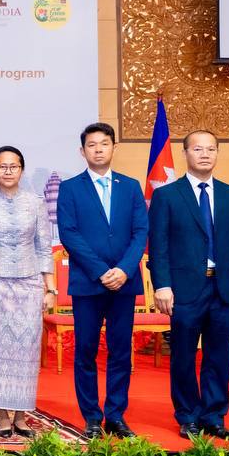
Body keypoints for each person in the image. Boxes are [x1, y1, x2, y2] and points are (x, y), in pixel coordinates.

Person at [149, 130, 229, 441]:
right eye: (198, 149)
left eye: (211, 149)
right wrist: (162, 285)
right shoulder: (167, 195)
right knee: (183, 356)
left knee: (219, 357)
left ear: (217, 153)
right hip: (184, 290)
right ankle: (188, 416)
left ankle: (214, 417)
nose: (205, 154)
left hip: (224, 289)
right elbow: (158, 245)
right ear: (185, 153)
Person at [55, 122, 147, 439]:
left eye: (104, 143)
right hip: (88, 283)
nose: (98, 149)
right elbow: (69, 233)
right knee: (86, 351)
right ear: (82, 151)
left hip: (124, 282)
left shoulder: (131, 186)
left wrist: (123, 269)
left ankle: (116, 416)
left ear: (114, 148)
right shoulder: (70, 188)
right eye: (91, 145)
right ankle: (92, 418)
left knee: (121, 352)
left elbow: (140, 232)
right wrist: (100, 271)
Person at [0, 146, 54, 438]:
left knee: (26, 351)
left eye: (13, 166)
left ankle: (21, 416)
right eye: (2, 166)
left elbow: (44, 248)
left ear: (21, 169)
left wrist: (50, 288)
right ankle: (2, 416)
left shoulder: (36, 203)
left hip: (29, 285)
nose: (8, 171)